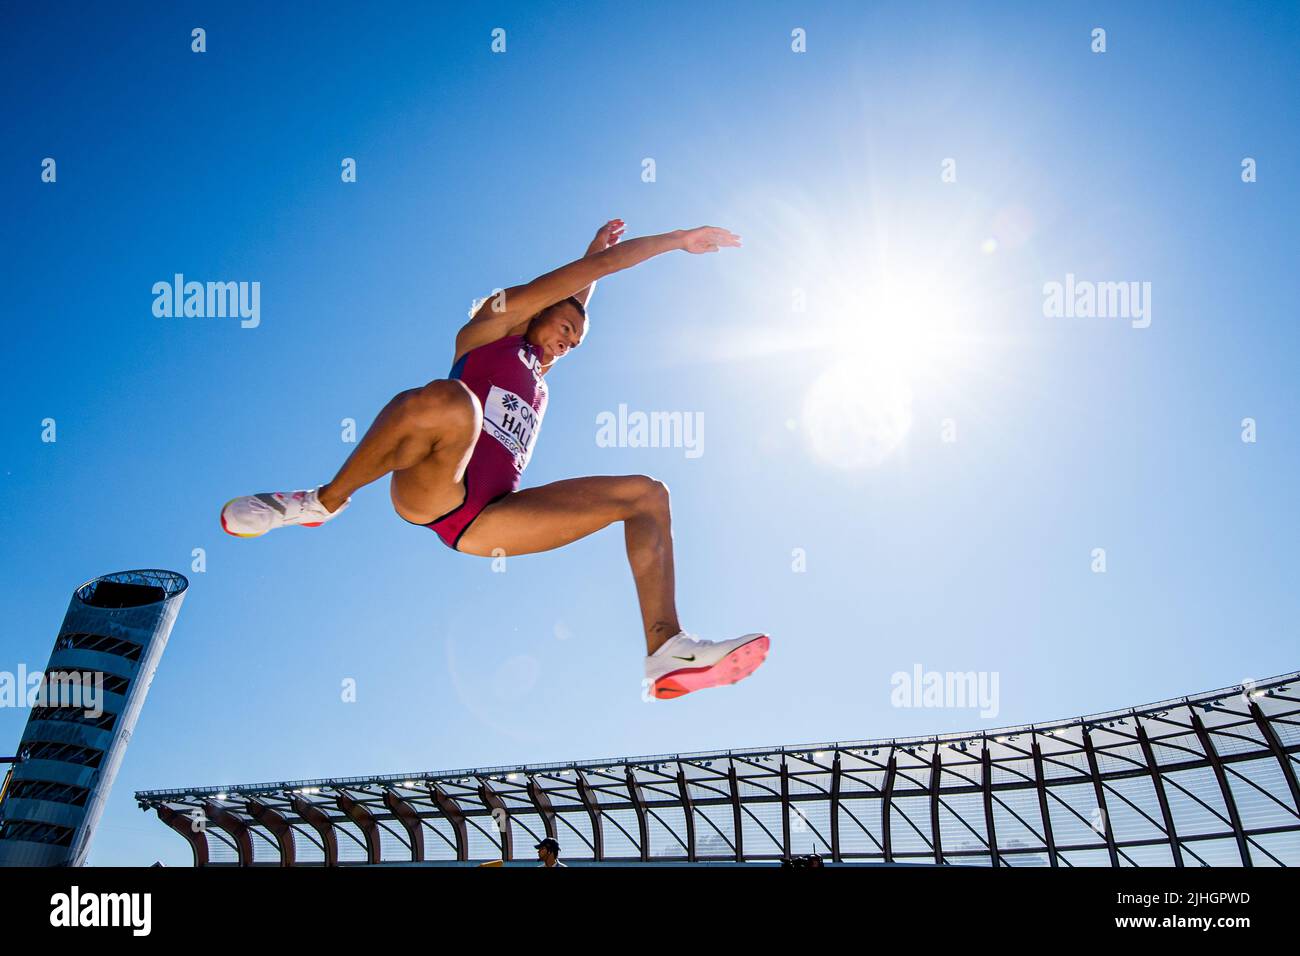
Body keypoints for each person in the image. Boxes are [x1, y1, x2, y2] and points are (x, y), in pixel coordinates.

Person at [221, 220, 770, 699]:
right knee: (450, 402)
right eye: (565, 330)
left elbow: (572, 297)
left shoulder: (538, 377)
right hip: (436, 491)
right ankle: (322, 500)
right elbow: (559, 291)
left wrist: (589, 272)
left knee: (647, 493)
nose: (569, 344)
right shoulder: (486, 331)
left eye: (578, 342)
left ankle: (665, 648)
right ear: (531, 311)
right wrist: (673, 241)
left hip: (492, 520)